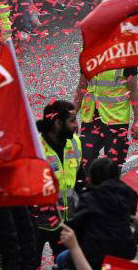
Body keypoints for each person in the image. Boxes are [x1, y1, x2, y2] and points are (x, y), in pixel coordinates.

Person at [34, 101, 81, 264]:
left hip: (66, 222)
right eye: (72, 121)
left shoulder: (75, 143)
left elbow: (79, 180)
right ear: (57, 123)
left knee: (67, 264)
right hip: (38, 223)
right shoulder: (35, 149)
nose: (76, 125)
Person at [73, 66, 138, 167]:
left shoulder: (125, 58)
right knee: (85, 159)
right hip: (91, 117)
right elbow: (81, 87)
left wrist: (137, 120)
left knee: (113, 164)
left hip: (116, 120)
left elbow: (133, 90)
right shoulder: (88, 56)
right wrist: (72, 116)